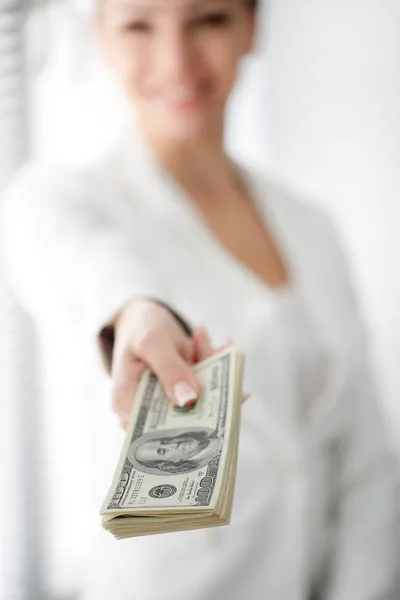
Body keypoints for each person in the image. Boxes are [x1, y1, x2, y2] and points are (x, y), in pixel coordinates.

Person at [3, 0, 399, 598]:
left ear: (252, 29)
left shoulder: (313, 226)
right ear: (102, 39)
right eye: (139, 25)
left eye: (208, 20)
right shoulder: (56, 200)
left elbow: (366, 454)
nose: (176, 60)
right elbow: (90, 267)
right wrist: (136, 310)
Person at [128, 428, 223, 474]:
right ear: (172, 462)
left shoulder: (211, 432)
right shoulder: (208, 460)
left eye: (165, 441)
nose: (173, 444)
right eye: (163, 451)